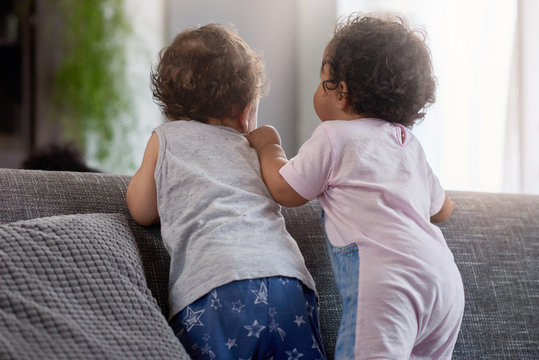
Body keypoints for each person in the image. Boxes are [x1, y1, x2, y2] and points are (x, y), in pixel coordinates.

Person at [247, 14, 464, 359]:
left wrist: (268, 145)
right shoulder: (407, 143)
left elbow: (285, 190)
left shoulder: (334, 136)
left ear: (342, 93)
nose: (318, 90)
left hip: (388, 283)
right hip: (444, 281)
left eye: (322, 81)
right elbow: (443, 209)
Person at [126, 23, 326, 360]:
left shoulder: (165, 139)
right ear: (246, 110)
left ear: (170, 107)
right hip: (288, 282)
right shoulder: (254, 148)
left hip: (216, 288)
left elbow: (142, 209)